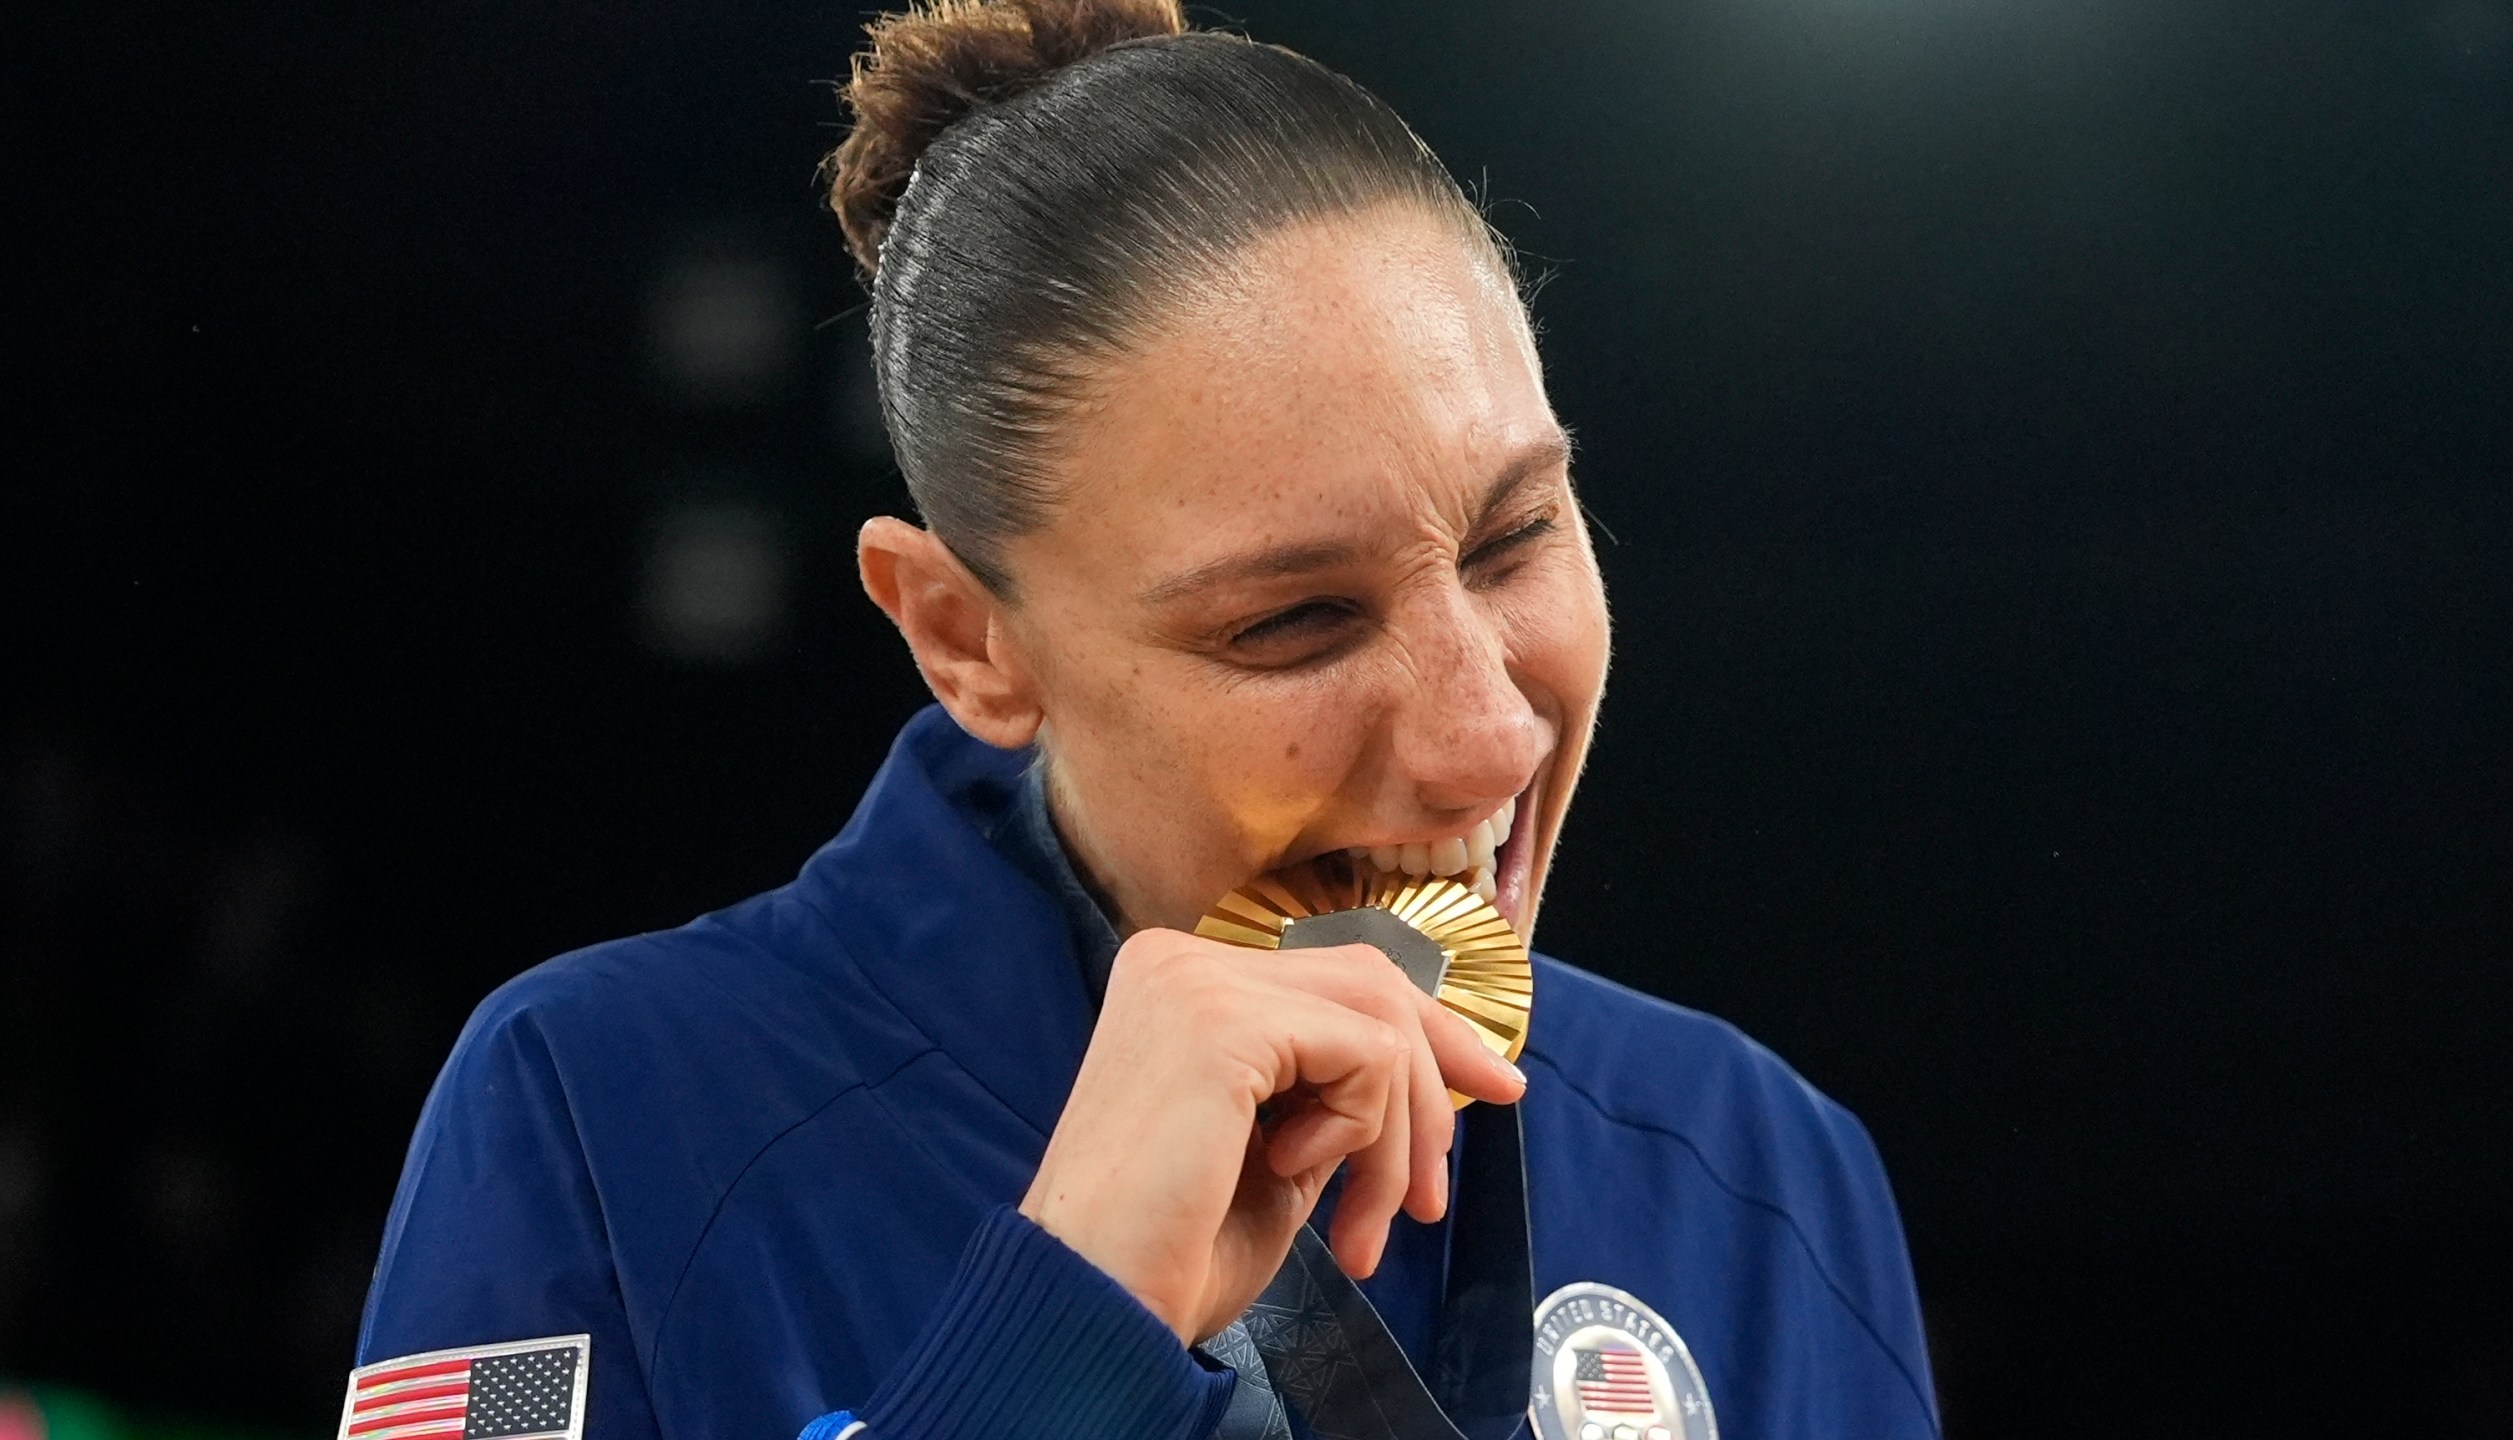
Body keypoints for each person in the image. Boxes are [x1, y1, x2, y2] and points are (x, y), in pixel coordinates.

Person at [347, 3, 1938, 1438]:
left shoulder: (1759, 1171)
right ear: (966, 639)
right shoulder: (606, 1112)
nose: (1483, 738)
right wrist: (1058, 1329)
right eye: (1294, 623)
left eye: (1514, 535)